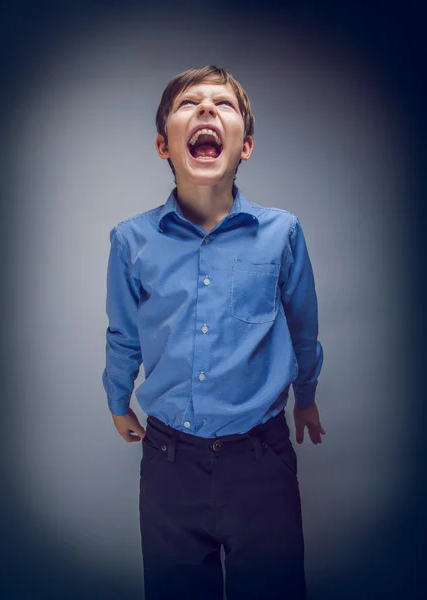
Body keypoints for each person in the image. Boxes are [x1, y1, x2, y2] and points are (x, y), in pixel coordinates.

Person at [102, 65, 325, 600]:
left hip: (261, 459)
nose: (206, 109)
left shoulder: (282, 233)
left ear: (245, 146)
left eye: (223, 104)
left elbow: (302, 328)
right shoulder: (130, 241)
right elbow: (123, 331)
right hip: (168, 464)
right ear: (164, 145)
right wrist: (117, 401)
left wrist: (307, 399)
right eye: (189, 104)